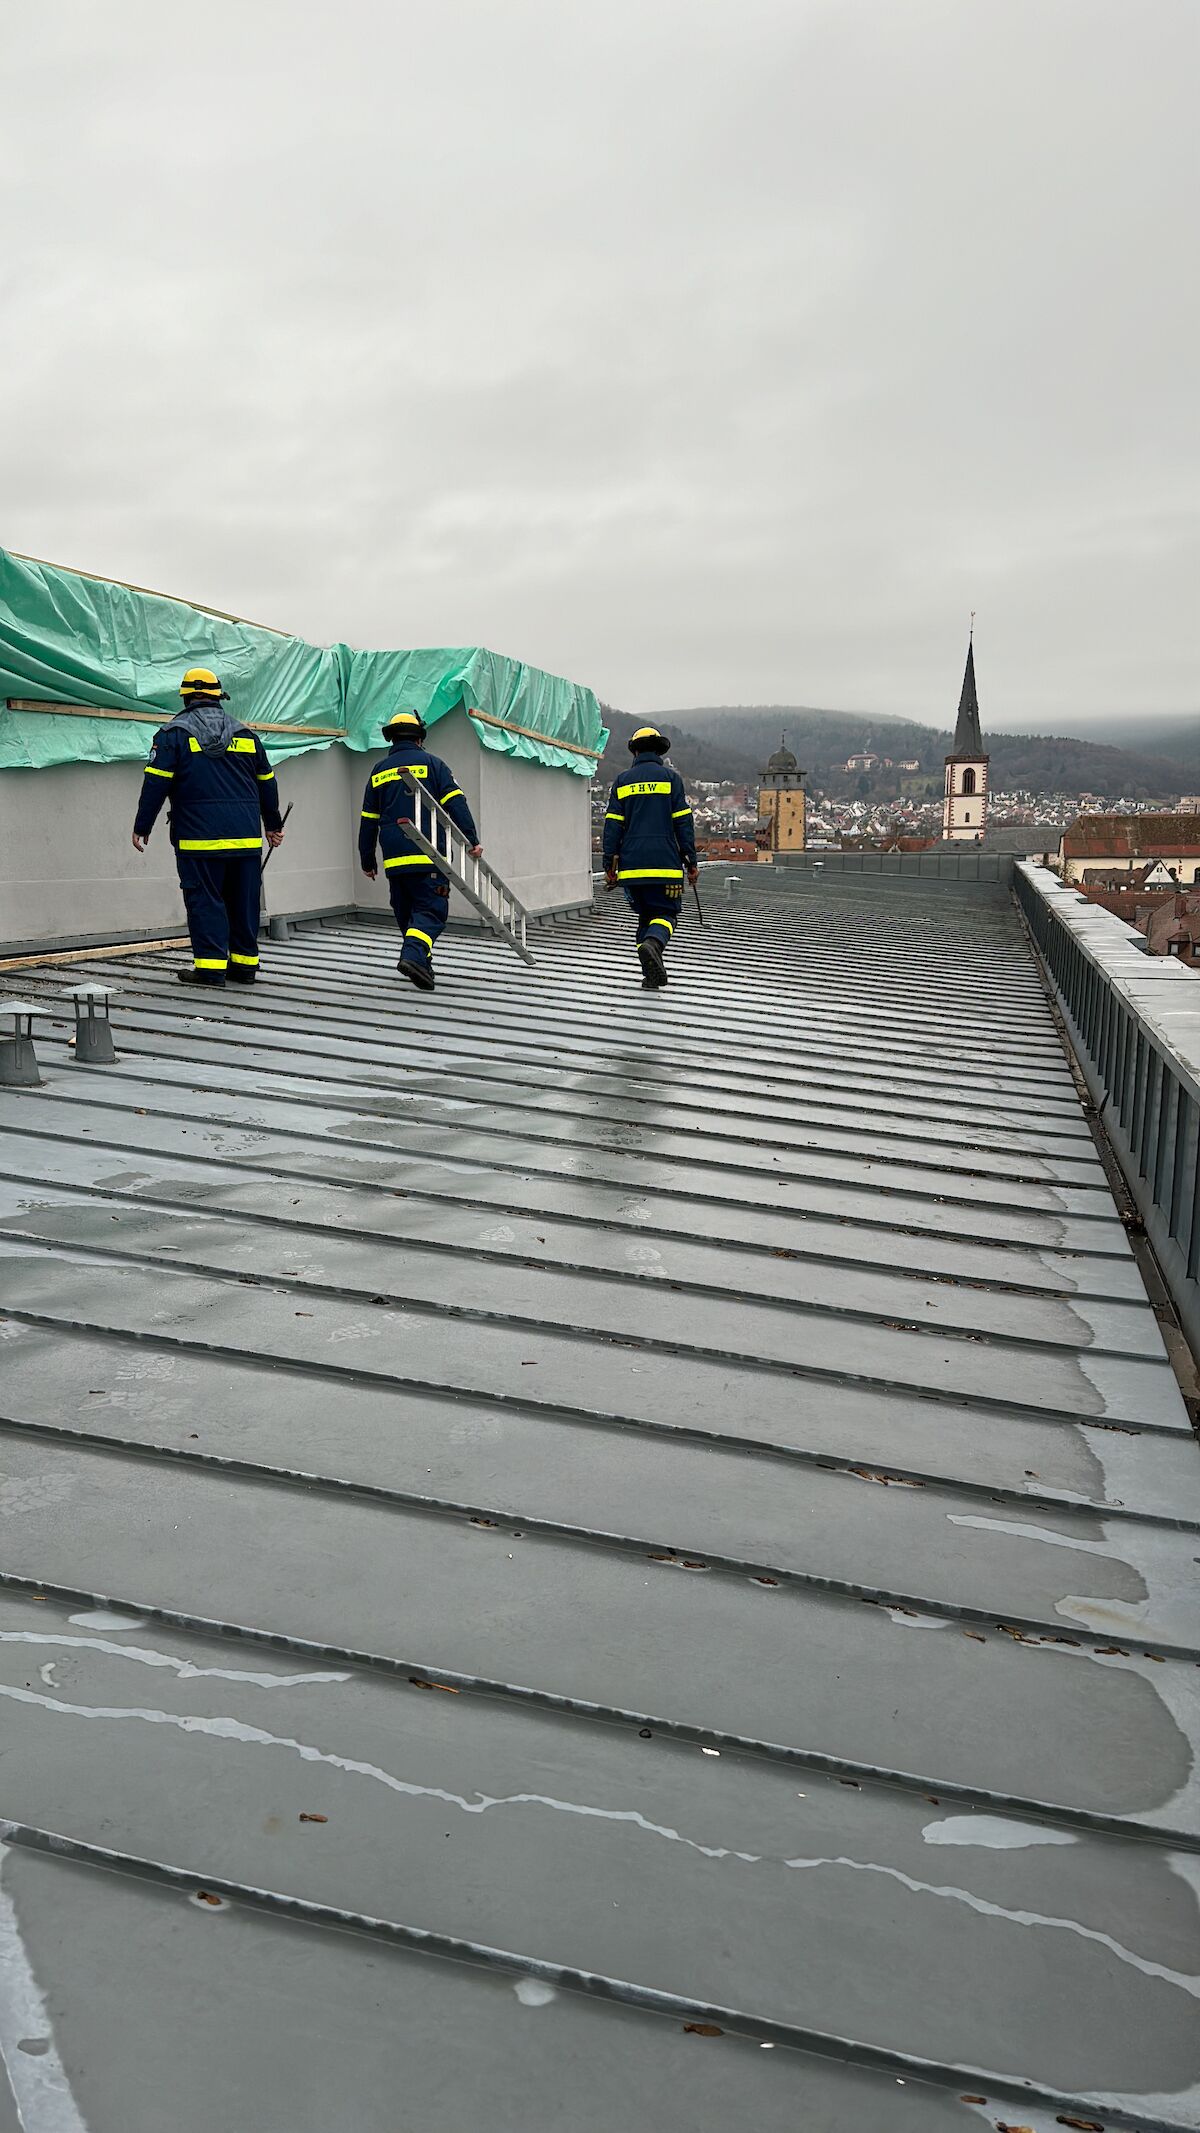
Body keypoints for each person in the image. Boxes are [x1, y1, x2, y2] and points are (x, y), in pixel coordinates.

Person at [132, 668, 284, 987]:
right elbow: (267, 783)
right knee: (244, 902)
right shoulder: (245, 735)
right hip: (244, 839)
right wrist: (272, 824)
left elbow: (156, 783)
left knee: (206, 901)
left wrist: (142, 825)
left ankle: (211, 969)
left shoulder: (172, 734)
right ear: (218, 697)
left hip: (198, 838)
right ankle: (244, 968)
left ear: (186, 697)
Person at [358, 709, 482, 991]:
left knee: (408, 914)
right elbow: (455, 804)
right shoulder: (433, 764)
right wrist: (472, 840)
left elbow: (368, 822)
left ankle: (421, 966)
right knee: (430, 911)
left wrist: (367, 859)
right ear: (419, 738)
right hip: (429, 857)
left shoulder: (378, 772)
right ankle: (413, 955)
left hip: (395, 860)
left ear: (391, 739)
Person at [602, 726, 697, 988]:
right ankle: (654, 944)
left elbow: (612, 827)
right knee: (665, 915)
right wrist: (691, 862)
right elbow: (683, 824)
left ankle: (650, 975)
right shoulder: (671, 780)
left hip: (632, 871)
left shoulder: (621, 782)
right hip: (664, 867)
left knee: (645, 917)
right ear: (658, 750)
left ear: (634, 750)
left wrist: (608, 865)